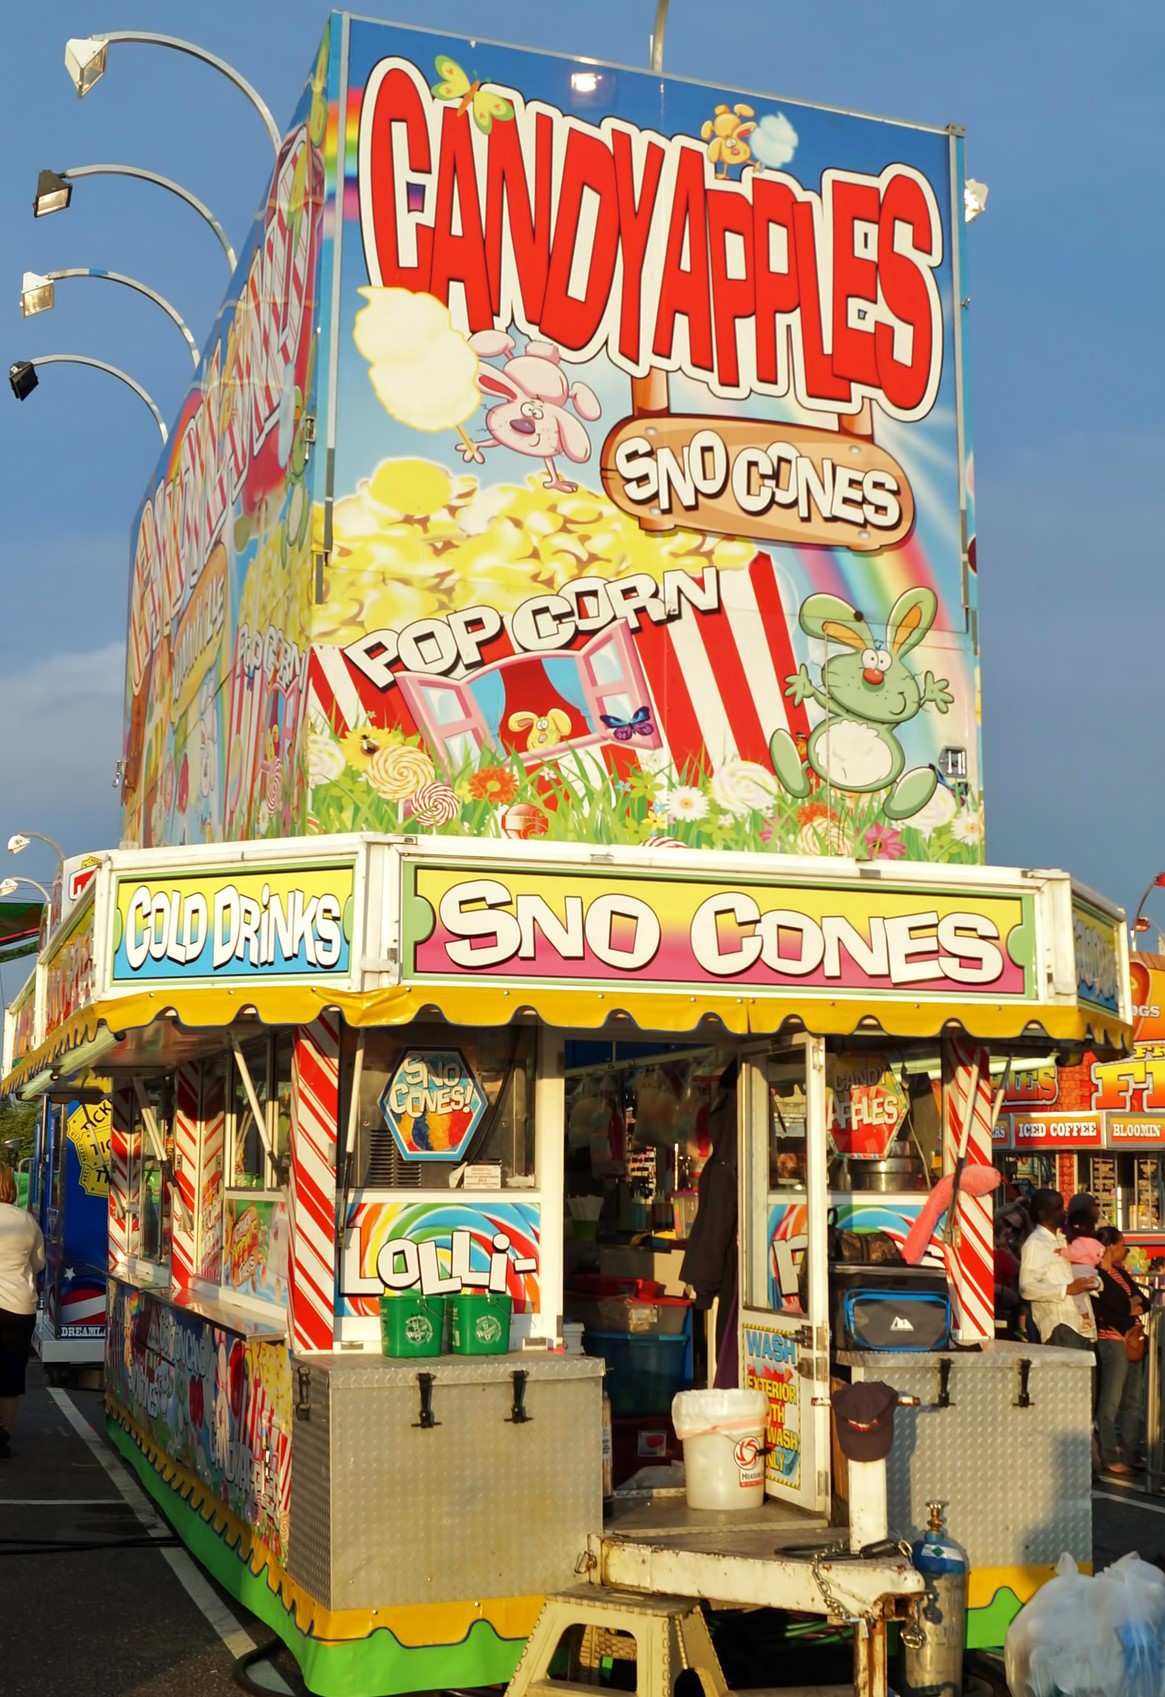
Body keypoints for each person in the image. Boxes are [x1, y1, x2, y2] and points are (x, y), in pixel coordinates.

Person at [1093, 1225, 1149, 1477]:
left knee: (1132, 1401)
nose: (1125, 1250)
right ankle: (1110, 1455)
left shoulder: (1121, 1274)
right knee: (1111, 1402)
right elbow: (1110, 1307)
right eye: (1122, 1244)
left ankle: (1129, 1453)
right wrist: (1129, 1308)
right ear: (1109, 1247)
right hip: (1113, 1340)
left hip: (1133, 1340)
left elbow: (1143, 1300)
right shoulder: (1096, 1276)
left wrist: (1129, 1307)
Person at [0, 1159, 44, 1458]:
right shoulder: (26, 1220)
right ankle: (3, 1435)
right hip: (18, 1306)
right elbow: (38, 1262)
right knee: (11, 1373)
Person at [1018, 1187, 1098, 1349]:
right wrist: (1066, 1289)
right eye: (1057, 1208)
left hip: (1083, 1327)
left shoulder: (1065, 1239)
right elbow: (1026, 1287)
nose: (1064, 1212)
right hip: (1061, 1327)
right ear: (1042, 1213)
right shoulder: (1035, 1244)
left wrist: (1093, 1281)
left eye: (1063, 1207)